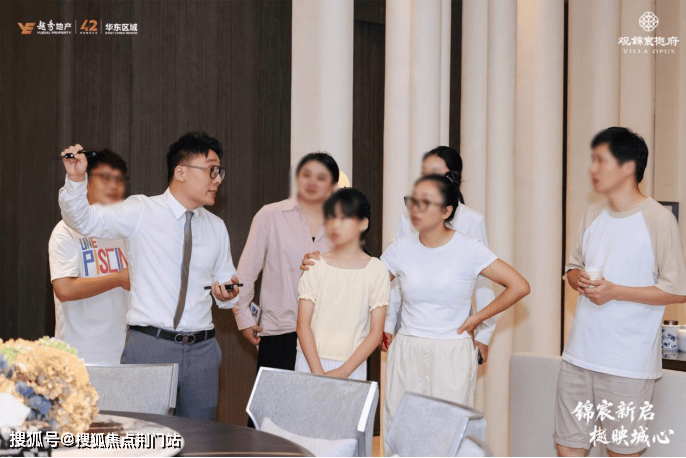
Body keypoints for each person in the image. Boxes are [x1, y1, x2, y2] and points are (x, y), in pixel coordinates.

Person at [302, 172, 530, 447]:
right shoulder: (400, 249)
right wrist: (320, 262)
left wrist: (477, 319)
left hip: (451, 353)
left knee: (447, 436)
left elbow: (519, 286)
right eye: (413, 201)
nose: (415, 209)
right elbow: (361, 282)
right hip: (407, 349)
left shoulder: (470, 249)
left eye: (426, 202)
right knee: (400, 433)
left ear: (446, 211)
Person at [58, 132, 240, 420]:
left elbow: (227, 284)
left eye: (219, 172)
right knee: (143, 432)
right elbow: (83, 220)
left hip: (203, 352)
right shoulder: (141, 210)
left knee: (201, 437)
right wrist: (76, 180)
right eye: (211, 170)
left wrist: (228, 293)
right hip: (150, 346)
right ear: (181, 172)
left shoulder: (217, 226)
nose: (217, 179)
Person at [555, 127, 686, 457]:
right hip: (579, 356)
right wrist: (578, 279)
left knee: (622, 451)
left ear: (628, 167)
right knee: (567, 445)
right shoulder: (592, 214)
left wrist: (616, 291)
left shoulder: (659, 219)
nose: (593, 168)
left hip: (628, 364)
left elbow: (677, 291)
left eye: (602, 160)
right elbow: (571, 269)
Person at [384, 146, 496, 363]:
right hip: (411, 324)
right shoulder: (409, 217)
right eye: (424, 173)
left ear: (452, 178)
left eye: (434, 173)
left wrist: (484, 332)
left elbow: (484, 281)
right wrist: (388, 323)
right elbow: (395, 273)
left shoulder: (472, 220)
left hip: (453, 329)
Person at [233, 153, 338, 374]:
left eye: (321, 177)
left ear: (333, 186)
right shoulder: (270, 215)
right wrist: (244, 318)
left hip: (327, 334)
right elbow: (247, 271)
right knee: (275, 397)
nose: (312, 182)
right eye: (306, 175)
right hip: (279, 331)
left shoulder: (343, 224)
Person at [296, 188, 389, 380]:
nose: (336, 225)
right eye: (332, 217)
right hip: (310, 361)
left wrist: (343, 371)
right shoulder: (315, 265)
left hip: (352, 367)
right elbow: (303, 325)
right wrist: (318, 373)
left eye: (345, 217)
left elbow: (376, 332)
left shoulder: (377, 270)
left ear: (363, 223)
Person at [49, 149, 130, 364]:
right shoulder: (65, 230)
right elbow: (64, 288)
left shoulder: (127, 231)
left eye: (119, 179)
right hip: (79, 355)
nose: (113, 185)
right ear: (85, 181)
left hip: (125, 352)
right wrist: (118, 278)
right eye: (105, 177)